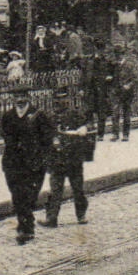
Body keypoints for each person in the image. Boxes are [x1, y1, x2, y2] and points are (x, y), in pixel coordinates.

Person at [1, 83, 54, 243]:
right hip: (13, 162)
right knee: (17, 195)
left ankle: (26, 226)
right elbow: (6, 135)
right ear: (13, 99)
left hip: (34, 163)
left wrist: (43, 156)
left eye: (23, 96)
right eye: (17, 97)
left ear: (28, 97)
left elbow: (47, 138)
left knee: (29, 196)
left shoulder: (38, 115)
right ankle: (25, 226)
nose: (20, 100)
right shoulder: (8, 116)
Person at [43, 82, 96, 227]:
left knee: (77, 188)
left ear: (68, 100)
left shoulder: (75, 114)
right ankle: (52, 218)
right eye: (57, 100)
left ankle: (81, 215)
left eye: (63, 99)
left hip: (73, 157)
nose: (60, 103)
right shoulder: (49, 117)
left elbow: (90, 124)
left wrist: (84, 128)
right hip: (57, 159)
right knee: (55, 190)